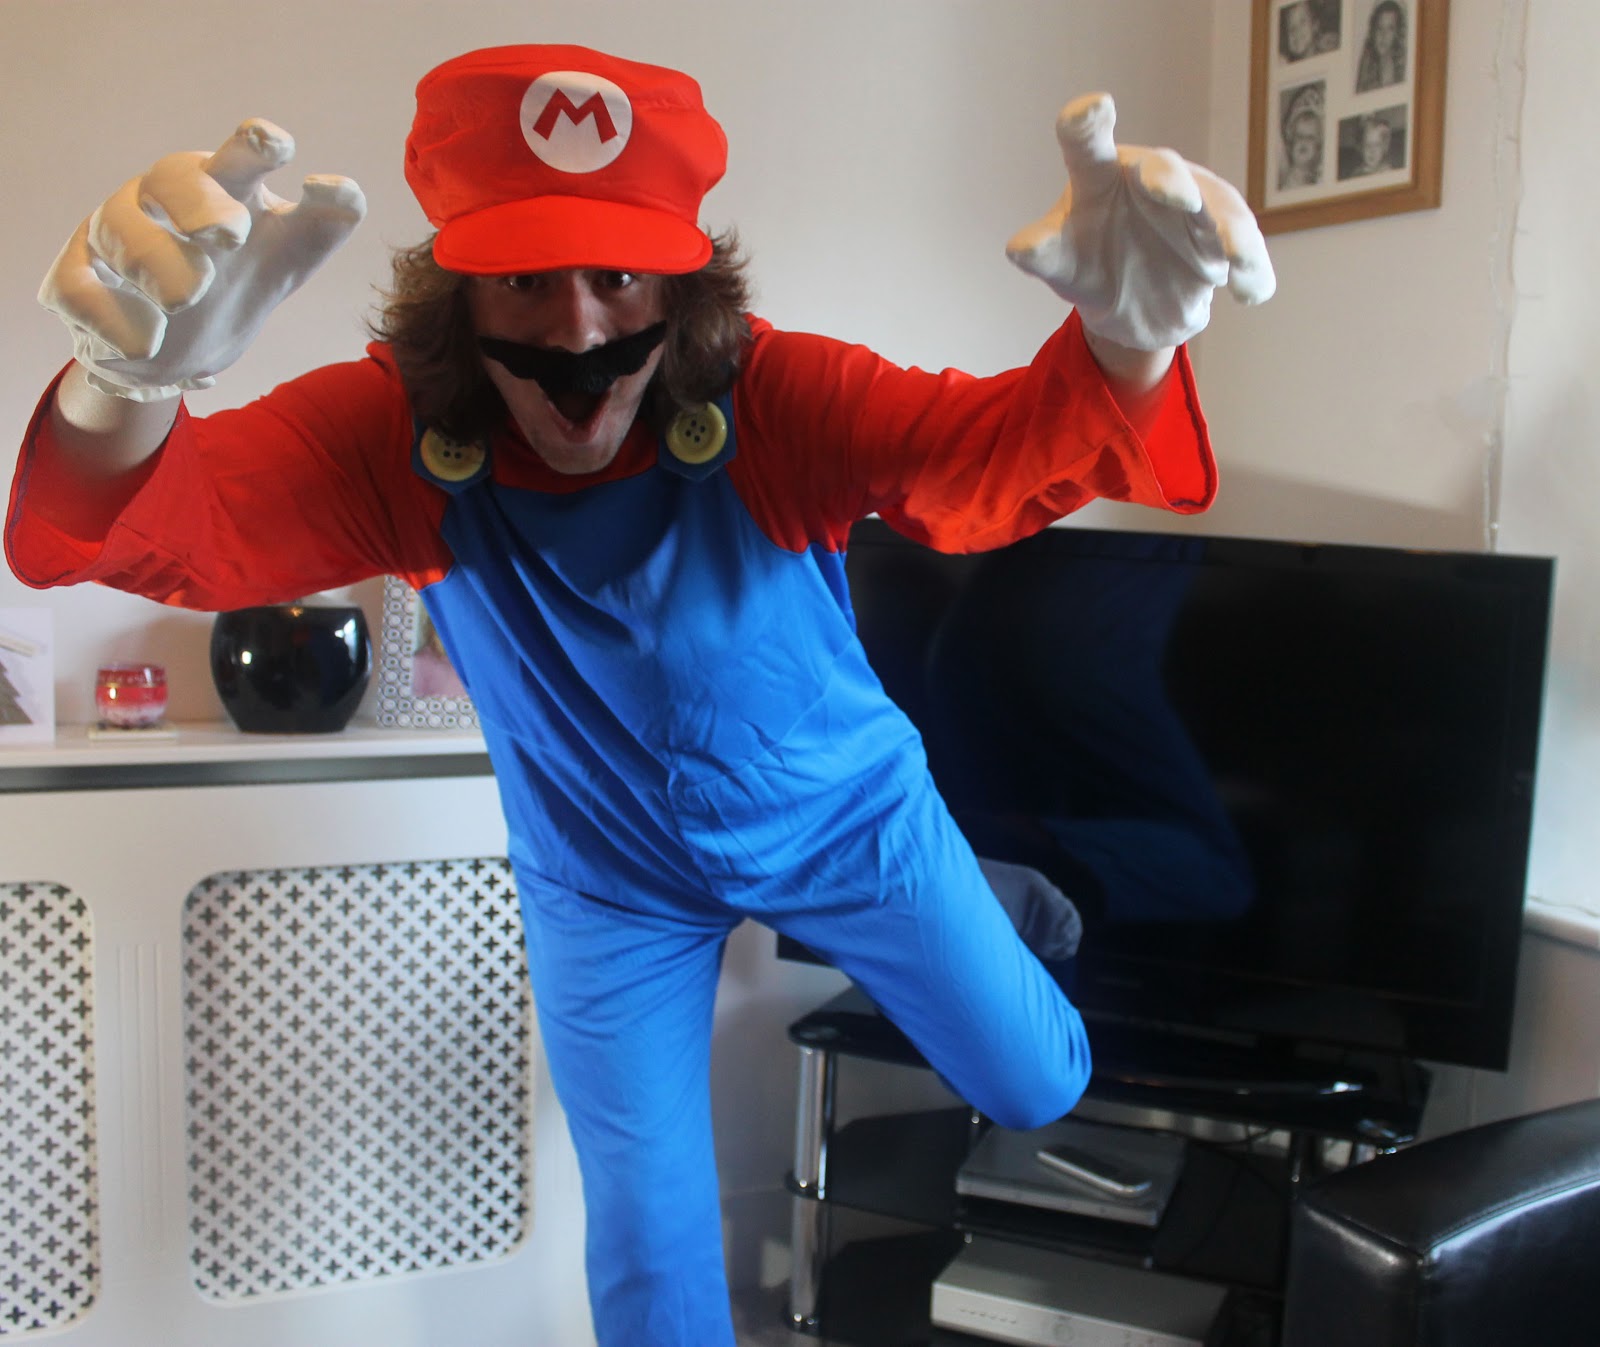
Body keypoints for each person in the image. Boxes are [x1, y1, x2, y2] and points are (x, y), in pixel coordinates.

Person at [5, 43, 1274, 1347]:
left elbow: (975, 463)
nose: (578, 332)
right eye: (524, 279)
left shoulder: (772, 396)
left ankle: (984, 891)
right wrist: (124, 391)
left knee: (1036, 1083)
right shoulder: (396, 436)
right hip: (605, 877)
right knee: (647, 1236)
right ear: (458, 293)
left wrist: (1125, 346)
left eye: (617, 276)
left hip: (849, 820)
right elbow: (163, 525)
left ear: (680, 283)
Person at [1356, 0, 1407, 92]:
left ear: (1397, 33)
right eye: (1379, 28)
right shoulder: (1366, 67)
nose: (1383, 35)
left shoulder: (1402, 69)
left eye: (1390, 29)